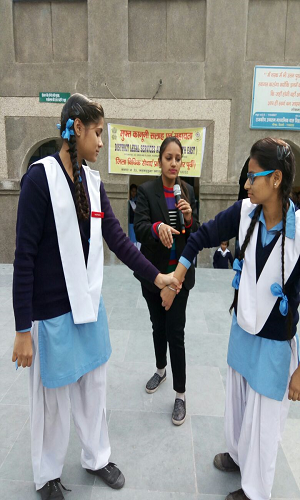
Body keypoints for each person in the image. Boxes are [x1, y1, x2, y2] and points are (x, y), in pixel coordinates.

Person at [12, 93, 179, 500]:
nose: (102, 142)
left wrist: (157, 278)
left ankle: (96, 456)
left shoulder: (93, 182)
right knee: (52, 401)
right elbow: (24, 255)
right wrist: (21, 329)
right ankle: (48, 474)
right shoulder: (40, 179)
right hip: (50, 311)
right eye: (99, 133)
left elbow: (118, 241)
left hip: (88, 306)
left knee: (93, 388)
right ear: (77, 128)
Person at [161, 137, 300, 500]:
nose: (246, 183)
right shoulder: (244, 212)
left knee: (264, 421)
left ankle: (255, 491)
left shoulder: (299, 232)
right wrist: (176, 278)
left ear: (276, 179)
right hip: (243, 331)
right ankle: (238, 457)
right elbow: (200, 236)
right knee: (238, 405)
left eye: (253, 176)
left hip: (275, 343)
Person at [134, 136, 199, 426]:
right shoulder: (147, 191)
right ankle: (161, 369)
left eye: (178, 158)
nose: (174, 163)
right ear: (159, 161)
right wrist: (158, 226)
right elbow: (140, 227)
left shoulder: (187, 190)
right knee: (157, 326)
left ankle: (181, 394)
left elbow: (194, 234)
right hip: (154, 276)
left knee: (177, 332)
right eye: (168, 158)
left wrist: (188, 219)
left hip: (180, 276)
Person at [128, 183, 140, 249]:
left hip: (137, 223)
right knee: (132, 241)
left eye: (135, 191)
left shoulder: (138, 201)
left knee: (138, 242)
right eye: (132, 191)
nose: (134, 193)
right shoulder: (129, 201)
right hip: (131, 224)